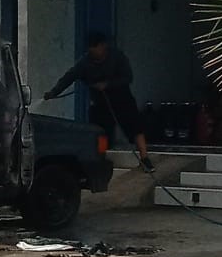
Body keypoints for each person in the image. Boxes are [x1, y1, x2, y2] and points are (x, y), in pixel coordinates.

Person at [44, 31, 154, 172]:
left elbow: (128, 77)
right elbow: (68, 78)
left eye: (96, 47)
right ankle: (100, 159)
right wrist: (53, 92)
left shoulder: (117, 57)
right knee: (99, 132)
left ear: (103, 46)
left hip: (123, 99)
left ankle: (145, 158)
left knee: (135, 127)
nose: (93, 51)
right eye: (90, 48)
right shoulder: (84, 63)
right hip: (100, 103)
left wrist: (107, 84)